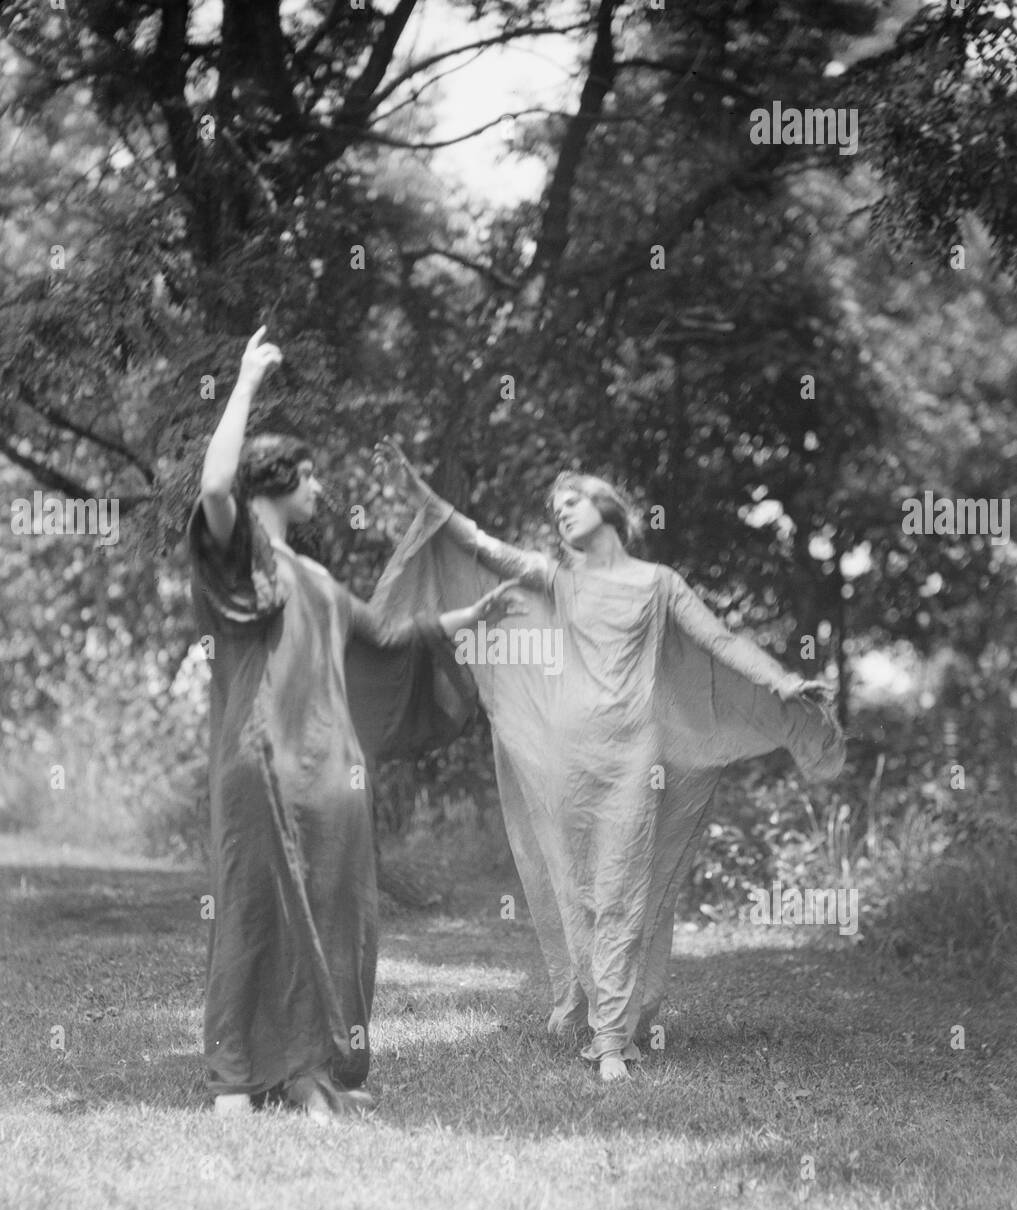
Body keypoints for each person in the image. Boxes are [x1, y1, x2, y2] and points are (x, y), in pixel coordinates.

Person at [372, 440, 846, 1082]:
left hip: (633, 761)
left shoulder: (658, 584)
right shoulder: (558, 577)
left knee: (623, 889)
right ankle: (600, 1011)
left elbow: (719, 641)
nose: (562, 513)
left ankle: (610, 1042)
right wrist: (420, 493)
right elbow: (480, 545)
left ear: (609, 509)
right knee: (581, 894)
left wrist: (780, 682)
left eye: (573, 502)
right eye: (555, 507)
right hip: (565, 757)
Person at [189, 330, 520, 1122]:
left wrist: (472, 613)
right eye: (312, 477)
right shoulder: (245, 559)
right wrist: (244, 379)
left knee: (335, 910)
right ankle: (238, 1075)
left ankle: (307, 1066)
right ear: (280, 478)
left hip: (330, 771)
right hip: (260, 758)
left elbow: (391, 637)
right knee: (254, 903)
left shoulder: (317, 578)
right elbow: (211, 489)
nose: (322, 490)